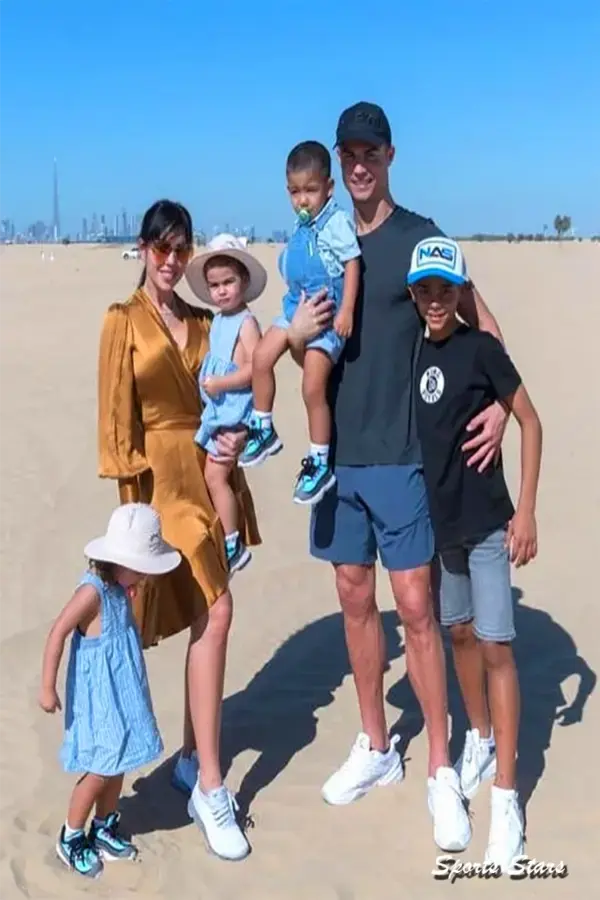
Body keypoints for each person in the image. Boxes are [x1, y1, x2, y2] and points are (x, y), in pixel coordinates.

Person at [284, 102, 510, 852]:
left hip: (404, 454)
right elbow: (303, 342)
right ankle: (377, 745)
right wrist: (294, 339)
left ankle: (441, 766)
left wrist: (501, 411)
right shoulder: (320, 238)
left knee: (415, 606)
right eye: (347, 153)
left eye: (369, 152)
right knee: (355, 596)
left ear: (389, 156)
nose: (357, 165)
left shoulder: (420, 236)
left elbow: (484, 328)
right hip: (337, 457)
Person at [97, 199, 261, 862]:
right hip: (159, 490)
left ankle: (196, 760)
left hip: (209, 474)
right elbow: (116, 425)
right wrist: (130, 521)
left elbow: (234, 392)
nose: (169, 260)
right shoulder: (122, 321)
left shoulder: (206, 318)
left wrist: (240, 451)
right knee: (217, 613)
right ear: (142, 250)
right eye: (159, 248)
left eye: (179, 248)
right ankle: (211, 787)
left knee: (208, 615)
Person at [409, 236, 542, 871]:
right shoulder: (412, 352)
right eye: (424, 290)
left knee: (497, 646)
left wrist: (527, 511)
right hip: (443, 533)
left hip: (490, 524)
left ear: (462, 292)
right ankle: (480, 737)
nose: (435, 301)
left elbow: (531, 422)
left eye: (446, 289)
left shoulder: (482, 350)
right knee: (457, 632)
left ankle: (508, 798)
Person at [39, 503, 181, 879]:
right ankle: (71, 835)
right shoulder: (92, 593)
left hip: (123, 689)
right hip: (98, 696)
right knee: (101, 767)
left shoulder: (122, 587)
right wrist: (47, 687)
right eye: (143, 569)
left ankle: (103, 826)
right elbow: (58, 632)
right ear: (120, 561)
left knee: (120, 760)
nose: (146, 578)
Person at [240, 140, 361, 506]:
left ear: (328, 188)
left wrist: (346, 311)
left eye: (310, 190)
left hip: (326, 312)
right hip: (294, 307)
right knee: (260, 358)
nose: (302, 200)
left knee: (312, 385)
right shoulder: (300, 226)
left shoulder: (336, 222)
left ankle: (319, 460)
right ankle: (263, 426)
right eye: (295, 192)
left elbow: (352, 264)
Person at [184, 233, 265, 576]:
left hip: (234, 413)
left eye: (228, 282)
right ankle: (229, 535)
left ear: (243, 282)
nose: (221, 291)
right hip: (217, 413)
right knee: (211, 477)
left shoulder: (246, 324)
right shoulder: (218, 321)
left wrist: (220, 383)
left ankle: (233, 540)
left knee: (215, 476)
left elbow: (255, 369)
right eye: (215, 285)